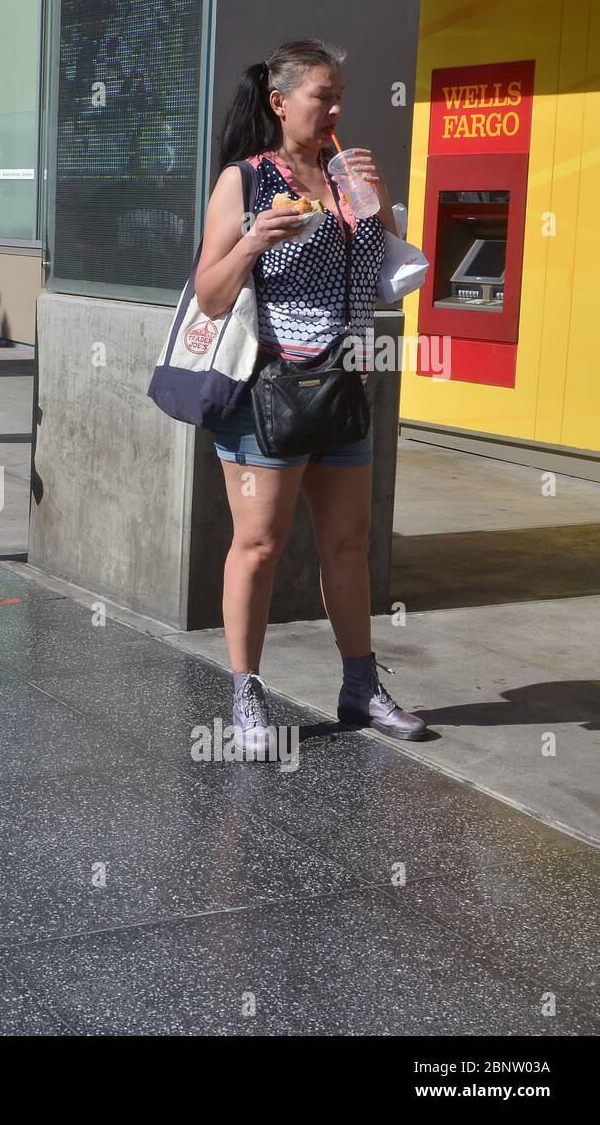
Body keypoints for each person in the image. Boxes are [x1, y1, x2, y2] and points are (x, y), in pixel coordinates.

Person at [193, 39, 427, 752]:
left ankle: (360, 685)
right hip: (268, 391)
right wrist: (255, 240)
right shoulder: (247, 181)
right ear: (280, 101)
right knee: (259, 546)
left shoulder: (344, 174)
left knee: (348, 544)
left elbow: (391, 274)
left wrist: (380, 207)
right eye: (322, 96)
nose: (334, 110)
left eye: (339, 98)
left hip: (345, 386)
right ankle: (247, 695)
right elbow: (209, 295)